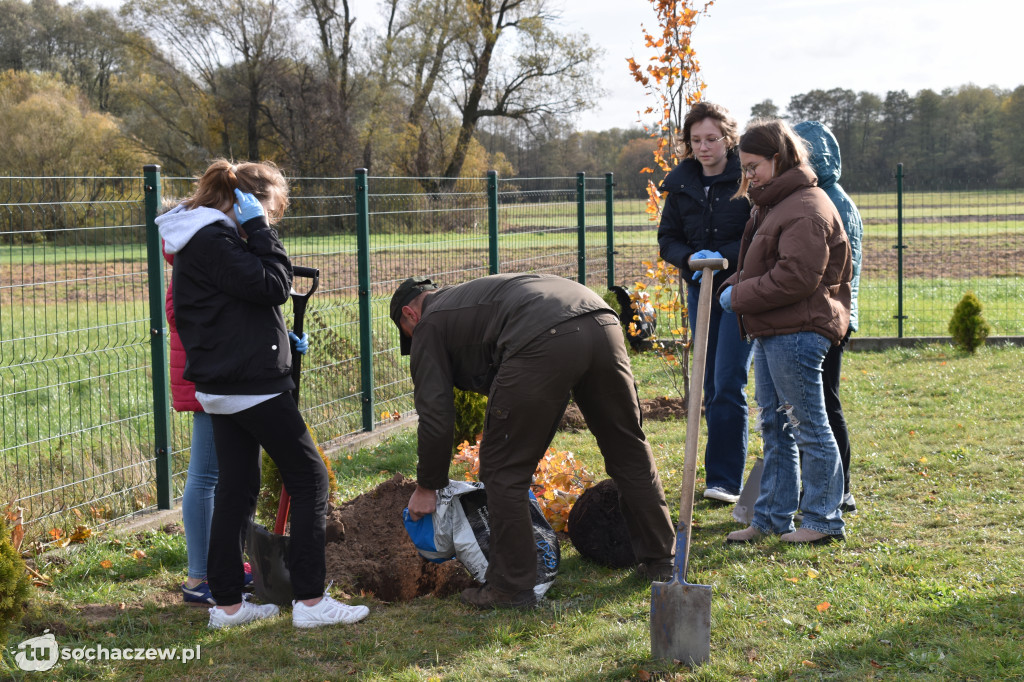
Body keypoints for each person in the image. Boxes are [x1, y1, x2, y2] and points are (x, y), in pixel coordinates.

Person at [157, 159, 369, 628]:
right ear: (247, 203)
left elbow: (235, 305)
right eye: (267, 212)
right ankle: (312, 602)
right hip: (248, 385)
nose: (270, 223)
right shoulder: (216, 238)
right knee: (310, 477)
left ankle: (228, 605)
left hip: (227, 383)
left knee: (237, 488)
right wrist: (259, 231)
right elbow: (275, 284)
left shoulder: (204, 240)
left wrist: (276, 341)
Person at [392, 273, 676, 608]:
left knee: (502, 471)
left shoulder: (429, 324)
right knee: (628, 447)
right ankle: (662, 561)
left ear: (410, 315)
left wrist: (428, 486)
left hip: (545, 334)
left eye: (407, 334)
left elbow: (437, 415)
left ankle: (511, 589)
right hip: (601, 320)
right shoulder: (472, 299)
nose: (414, 341)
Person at [718, 119, 852, 545]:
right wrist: (727, 283)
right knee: (776, 427)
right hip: (776, 327)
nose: (748, 175)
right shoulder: (776, 204)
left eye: (754, 165)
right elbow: (765, 268)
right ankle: (773, 517)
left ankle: (823, 520)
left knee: (808, 425)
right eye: (744, 168)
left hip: (798, 329)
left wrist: (737, 297)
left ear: (778, 158)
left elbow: (795, 278)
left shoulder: (807, 208)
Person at [164, 247, 307, 604]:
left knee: (226, 478)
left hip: (224, 376)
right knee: (209, 477)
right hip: (215, 379)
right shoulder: (196, 263)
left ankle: (219, 567)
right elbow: (196, 319)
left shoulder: (199, 261)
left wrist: (278, 339)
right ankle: (200, 578)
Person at [657, 102, 754, 504]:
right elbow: (668, 239)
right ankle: (715, 477)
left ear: (728, 139)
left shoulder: (747, 180)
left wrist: (724, 256)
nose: (704, 147)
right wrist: (689, 258)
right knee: (708, 383)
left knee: (729, 381)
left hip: (738, 292)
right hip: (700, 289)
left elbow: (758, 234)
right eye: (696, 140)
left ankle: (725, 480)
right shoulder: (681, 185)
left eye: (711, 139)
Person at [793, 121, 863, 514]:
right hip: (835, 316)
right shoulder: (830, 196)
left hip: (829, 318)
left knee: (823, 405)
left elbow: (829, 270)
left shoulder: (828, 201)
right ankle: (833, 487)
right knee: (822, 402)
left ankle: (839, 488)